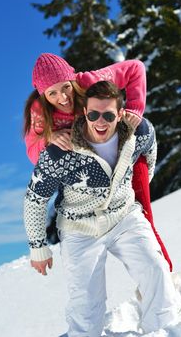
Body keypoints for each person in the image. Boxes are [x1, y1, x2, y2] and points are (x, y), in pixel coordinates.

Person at [23, 81, 181, 335]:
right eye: (94, 114)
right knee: (86, 305)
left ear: (120, 114)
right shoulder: (59, 152)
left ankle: (162, 329)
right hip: (79, 227)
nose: (100, 121)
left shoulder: (138, 130)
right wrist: (37, 246)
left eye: (108, 115)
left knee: (155, 269)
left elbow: (149, 152)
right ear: (84, 112)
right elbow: (34, 198)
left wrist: (131, 188)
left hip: (124, 215)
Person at [23, 53, 172, 271]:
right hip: (90, 178)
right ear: (43, 95)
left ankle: (166, 276)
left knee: (143, 218)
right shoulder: (40, 112)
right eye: (52, 93)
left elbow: (135, 68)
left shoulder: (91, 82)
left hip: (125, 157)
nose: (63, 97)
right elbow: (34, 154)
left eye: (65, 87)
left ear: (72, 79)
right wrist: (49, 138)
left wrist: (135, 109)